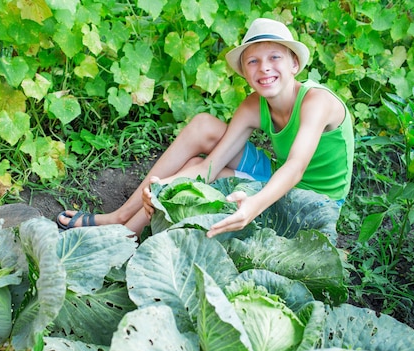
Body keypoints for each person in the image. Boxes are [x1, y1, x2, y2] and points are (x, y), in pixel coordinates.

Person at [56, 17, 354, 238]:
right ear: (245, 72)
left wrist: (253, 205)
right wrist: (159, 188)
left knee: (203, 173)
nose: (264, 67)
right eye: (253, 61)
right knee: (203, 128)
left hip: (312, 203)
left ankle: (125, 235)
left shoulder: (316, 102)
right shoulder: (254, 104)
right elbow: (211, 166)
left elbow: (295, 167)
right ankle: (120, 216)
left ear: (294, 64)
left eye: (274, 57)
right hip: (275, 176)